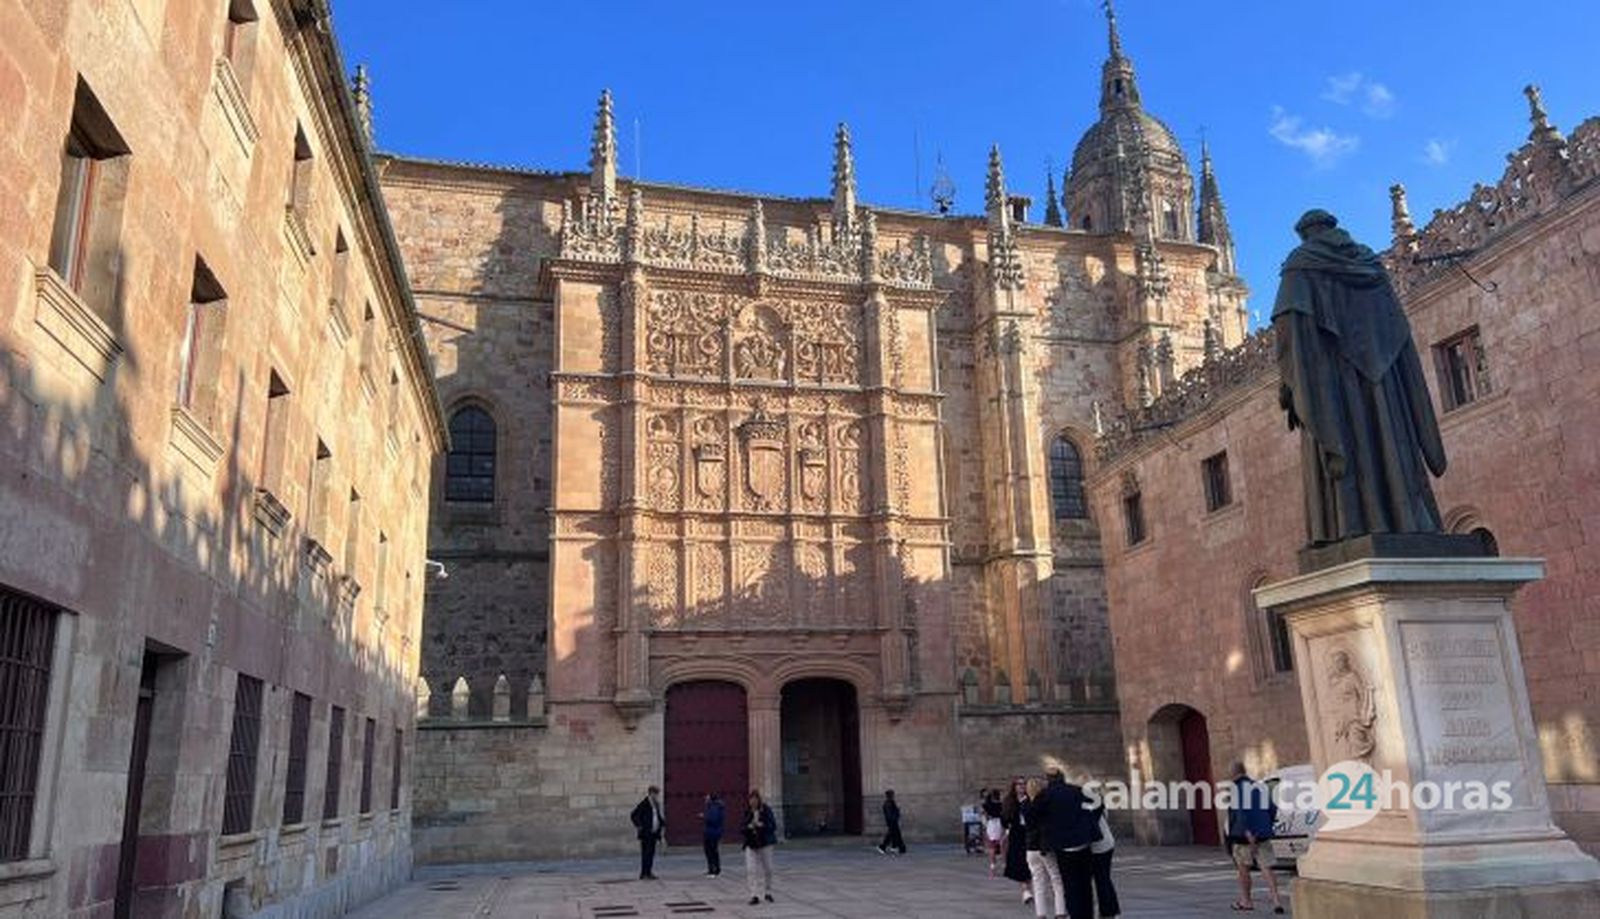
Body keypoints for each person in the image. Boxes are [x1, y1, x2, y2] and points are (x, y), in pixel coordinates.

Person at [1271, 208, 1449, 546]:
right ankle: (1407, 520)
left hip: (1333, 383)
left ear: (1306, 233)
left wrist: (1291, 378)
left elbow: (1288, 325)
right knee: (1389, 442)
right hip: (1384, 380)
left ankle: (1350, 524)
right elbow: (1394, 324)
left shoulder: (1301, 265)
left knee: (1350, 445)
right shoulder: (1370, 264)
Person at [1036, 767, 1101, 919]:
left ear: (1048, 779)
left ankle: (1075, 914)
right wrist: (1088, 822)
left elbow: (1033, 816)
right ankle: (1087, 914)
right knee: (1085, 882)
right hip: (1082, 843)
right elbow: (1098, 804)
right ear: (1062, 777)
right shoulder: (1076, 790)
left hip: (1063, 846)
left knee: (1070, 883)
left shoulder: (1045, 795)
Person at [1226, 762, 1285, 914]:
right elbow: (1272, 808)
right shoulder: (1259, 787)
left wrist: (1248, 833)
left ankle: (1246, 901)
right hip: (1262, 834)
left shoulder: (1236, 790)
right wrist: (1266, 826)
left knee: (1243, 868)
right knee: (1266, 867)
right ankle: (1276, 901)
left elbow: (1240, 812)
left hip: (1244, 836)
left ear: (1233, 774)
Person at [1023, 777, 1065, 919]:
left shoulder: (1025, 805)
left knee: (1038, 881)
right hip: (1045, 846)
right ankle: (1060, 912)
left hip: (1030, 847)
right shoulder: (1045, 803)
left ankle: (1041, 914)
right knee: (1056, 879)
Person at [741, 789, 778, 905]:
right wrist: (749, 826)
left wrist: (762, 825)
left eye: (755, 799)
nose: (753, 802)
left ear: (758, 800)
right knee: (751, 870)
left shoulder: (766, 810)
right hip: (751, 844)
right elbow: (741, 827)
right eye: (751, 800)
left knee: (768, 869)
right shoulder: (747, 811)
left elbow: (773, 826)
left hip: (765, 843)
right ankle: (754, 894)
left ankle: (768, 892)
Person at [1001, 777, 1034, 906]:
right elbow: (1004, 820)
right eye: (1019, 784)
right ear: (1014, 787)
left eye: (1024, 784)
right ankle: (1026, 889)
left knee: (1031, 862)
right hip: (1017, 835)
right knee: (1020, 862)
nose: (1021, 786)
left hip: (1030, 834)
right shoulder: (1010, 802)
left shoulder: (1031, 800)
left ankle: (1028, 889)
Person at [1088, 801, 1120, 918]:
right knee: (1104, 878)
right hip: (1107, 844)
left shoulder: (1084, 808)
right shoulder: (1096, 804)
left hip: (1098, 847)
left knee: (1101, 880)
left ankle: (1107, 912)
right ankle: (1111, 910)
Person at [629, 785, 665, 880]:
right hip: (646, 833)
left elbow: (657, 816)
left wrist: (662, 823)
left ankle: (649, 872)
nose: (657, 796)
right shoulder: (644, 803)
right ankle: (643, 873)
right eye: (655, 793)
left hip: (653, 832)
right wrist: (639, 825)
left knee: (651, 853)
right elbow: (634, 815)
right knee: (646, 853)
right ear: (651, 793)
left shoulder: (656, 804)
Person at [700, 792, 725, 877]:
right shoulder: (714, 806)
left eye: (707, 797)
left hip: (711, 833)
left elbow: (713, 819)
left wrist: (704, 817)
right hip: (713, 832)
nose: (705, 798)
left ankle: (713, 869)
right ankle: (714, 868)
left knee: (711, 851)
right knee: (713, 851)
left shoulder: (714, 807)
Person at [981, 787, 1005, 877]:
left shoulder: (986, 805)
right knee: (1003, 848)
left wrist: (985, 826)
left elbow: (984, 817)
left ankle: (992, 868)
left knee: (992, 848)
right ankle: (1004, 866)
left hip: (991, 824)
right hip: (1000, 824)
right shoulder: (1002, 805)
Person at [877, 789, 907, 854]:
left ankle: (894, 847)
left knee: (894, 835)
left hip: (893, 821)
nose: (893, 796)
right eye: (891, 795)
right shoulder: (887, 803)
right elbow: (889, 814)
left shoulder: (891, 802)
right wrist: (895, 816)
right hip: (892, 822)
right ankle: (883, 847)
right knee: (893, 835)